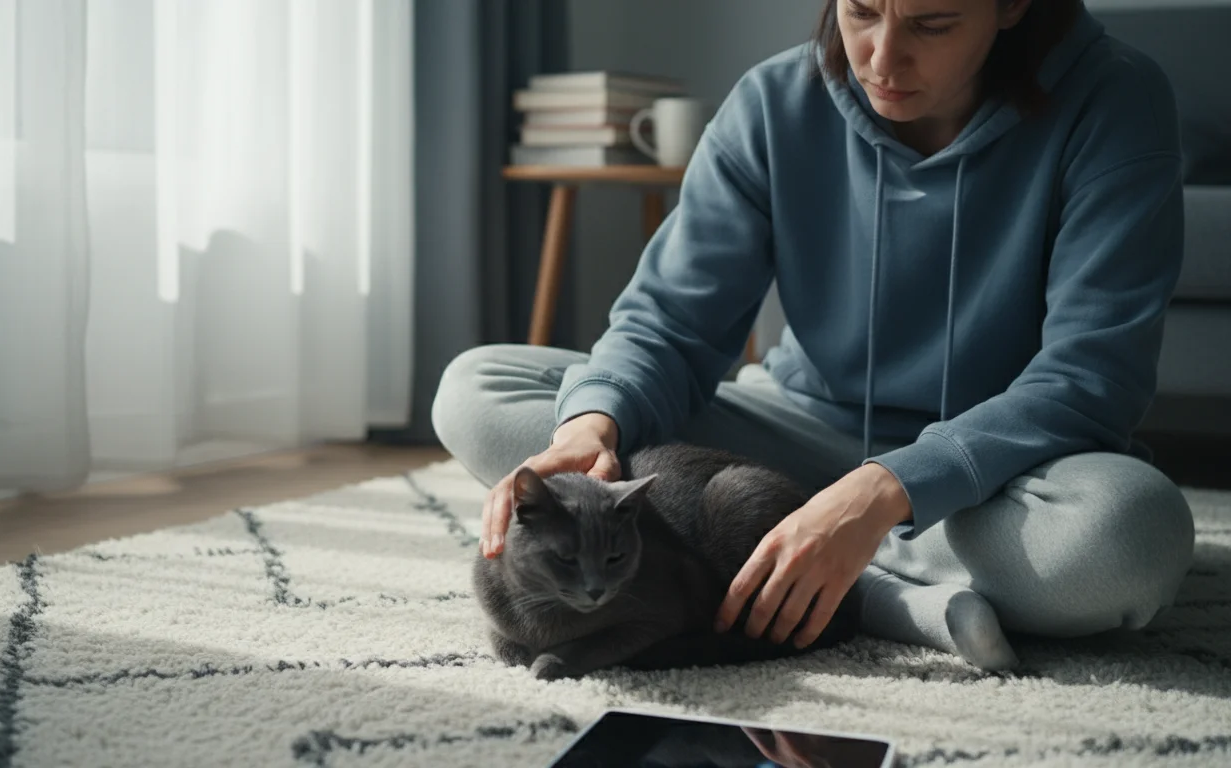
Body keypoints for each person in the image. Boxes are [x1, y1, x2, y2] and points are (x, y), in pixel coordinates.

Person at [431, 0, 1196, 671]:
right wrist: (590, 428)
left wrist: (881, 494)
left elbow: (1090, 376)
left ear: (1012, 5)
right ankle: (861, 587)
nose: (882, 57)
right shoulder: (773, 101)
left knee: (1128, 538)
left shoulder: (1115, 99)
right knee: (478, 387)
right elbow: (668, 321)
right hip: (791, 435)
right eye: (860, 10)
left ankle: (824, 568)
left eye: (931, 23)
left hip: (995, 472)